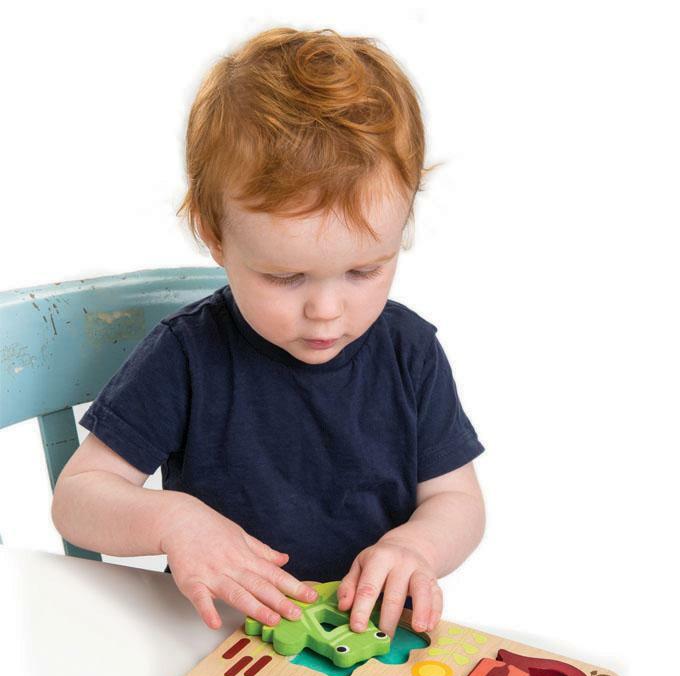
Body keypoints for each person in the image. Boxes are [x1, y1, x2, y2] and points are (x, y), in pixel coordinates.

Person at [51, 27, 485, 639]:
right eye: (285, 277)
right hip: (217, 640)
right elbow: (77, 498)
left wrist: (416, 548)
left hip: (364, 638)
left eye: (365, 270)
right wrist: (173, 520)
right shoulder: (186, 356)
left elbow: (457, 501)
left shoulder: (409, 352)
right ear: (215, 236)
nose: (327, 310)